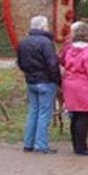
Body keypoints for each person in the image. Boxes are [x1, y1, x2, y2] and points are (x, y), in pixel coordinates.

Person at [16, 15, 61, 154]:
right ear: (43, 27)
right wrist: (57, 80)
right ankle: (41, 144)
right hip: (46, 80)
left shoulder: (23, 42)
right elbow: (52, 63)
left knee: (33, 112)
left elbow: (20, 62)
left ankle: (28, 143)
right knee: (44, 113)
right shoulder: (46, 43)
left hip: (31, 80)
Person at [60, 21, 88, 156]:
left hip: (70, 84)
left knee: (75, 116)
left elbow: (63, 63)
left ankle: (76, 145)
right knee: (85, 116)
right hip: (85, 87)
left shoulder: (70, 50)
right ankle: (82, 147)